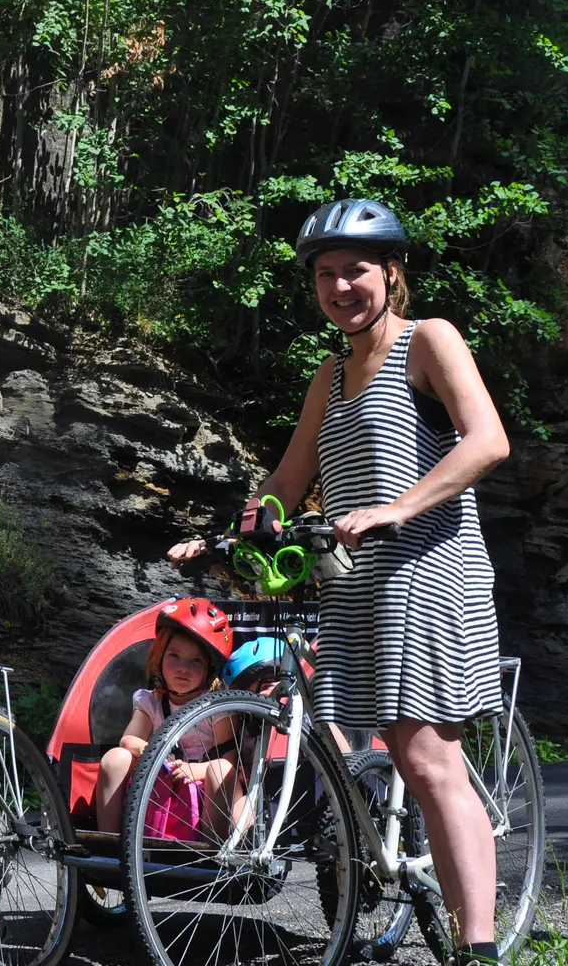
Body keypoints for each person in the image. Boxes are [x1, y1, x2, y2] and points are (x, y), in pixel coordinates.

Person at [169, 198, 510, 966]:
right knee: (392, 745)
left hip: (429, 571)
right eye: (325, 275)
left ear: (391, 272)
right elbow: (288, 482)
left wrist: (397, 507)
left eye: (355, 269)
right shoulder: (330, 371)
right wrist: (227, 536)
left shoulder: (430, 340)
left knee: (429, 759)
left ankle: (479, 949)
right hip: (355, 583)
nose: (340, 286)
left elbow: (488, 441)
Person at [92, 599, 235, 836]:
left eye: (196, 661)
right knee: (115, 758)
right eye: (174, 656)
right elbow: (129, 740)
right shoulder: (151, 701)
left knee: (220, 770)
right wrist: (152, 752)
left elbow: (231, 761)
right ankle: (109, 843)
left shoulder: (216, 706)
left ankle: (213, 856)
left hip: (205, 790)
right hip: (161, 783)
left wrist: (194, 770)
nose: (183, 668)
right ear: (158, 658)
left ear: (210, 668)